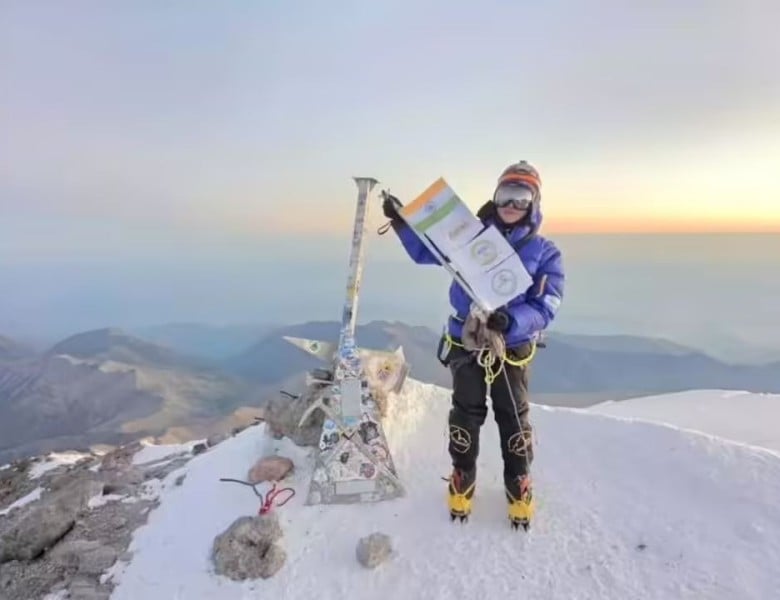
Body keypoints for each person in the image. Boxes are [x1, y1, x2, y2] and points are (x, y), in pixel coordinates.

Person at [380, 160, 564, 529]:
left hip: (510, 348)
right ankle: (463, 473)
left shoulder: (545, 252)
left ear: (534, 202)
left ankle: (518, 479)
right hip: (466, 338)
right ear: (495, 197)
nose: (511, 204)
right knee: (465, 412)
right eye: (506, 194)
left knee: (513, 417)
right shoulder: (470, 237)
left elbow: (548, 304)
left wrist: (513, 322)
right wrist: (402, 222)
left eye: (521, 196)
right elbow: (426, 252)